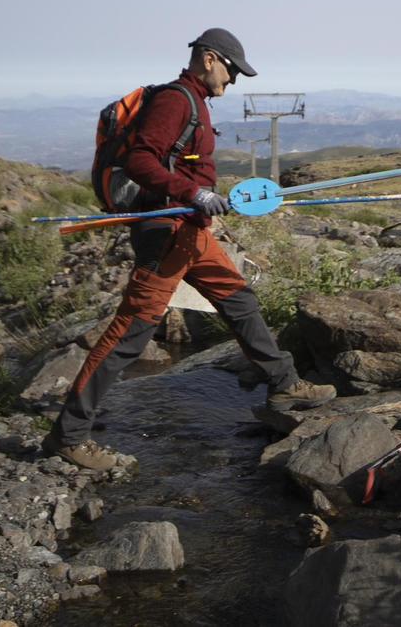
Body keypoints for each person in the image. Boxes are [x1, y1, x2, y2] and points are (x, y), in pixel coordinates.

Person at [43, 28, 336, 470]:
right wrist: (193, 194)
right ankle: (68, 436)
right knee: (130, 335)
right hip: (166, 232)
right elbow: (141, 161)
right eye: (232, 70)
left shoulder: (195, 102)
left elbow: (184, 167)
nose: (233, 81)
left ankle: (284, 382)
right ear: (210, 58)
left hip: (191, 230)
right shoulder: (176, 99)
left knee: (239, 300)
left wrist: (204, 199)